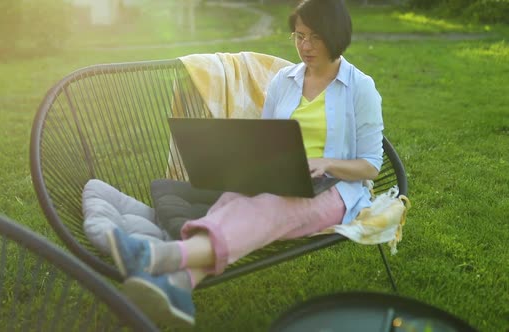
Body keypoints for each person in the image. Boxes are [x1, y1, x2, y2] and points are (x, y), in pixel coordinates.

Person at [105, 0, 384, 327]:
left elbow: (370, 166)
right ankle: (180, 285)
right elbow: (265, 137)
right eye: (298, 36)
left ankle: (156, 256)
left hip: (336, 188)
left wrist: (326, 162)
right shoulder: (284, 80)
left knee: (265, 209)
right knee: (233, 201)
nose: (304, 46)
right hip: (280, 173)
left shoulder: (360, 87)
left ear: (335, 35)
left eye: (315, 38)